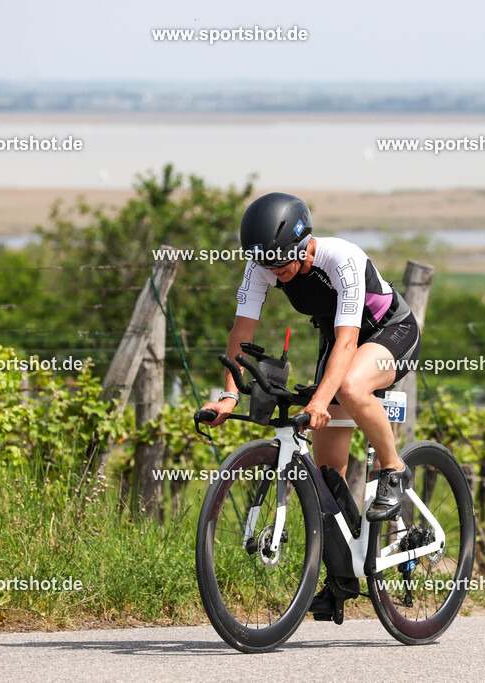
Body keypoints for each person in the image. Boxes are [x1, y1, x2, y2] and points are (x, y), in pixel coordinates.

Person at [199, 192, 421, 616]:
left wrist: (322, 399)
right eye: (268, 265)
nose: (276, 275)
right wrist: (229, 394)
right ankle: (341, 576)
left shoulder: (343, 258)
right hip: (338, 338)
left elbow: (349, 341)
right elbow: (240, 334)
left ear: (305, 245)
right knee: (325, 475)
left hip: (389, 331)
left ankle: (393, 469)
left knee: (352, 389)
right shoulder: (263, 264)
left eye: (283, 265)